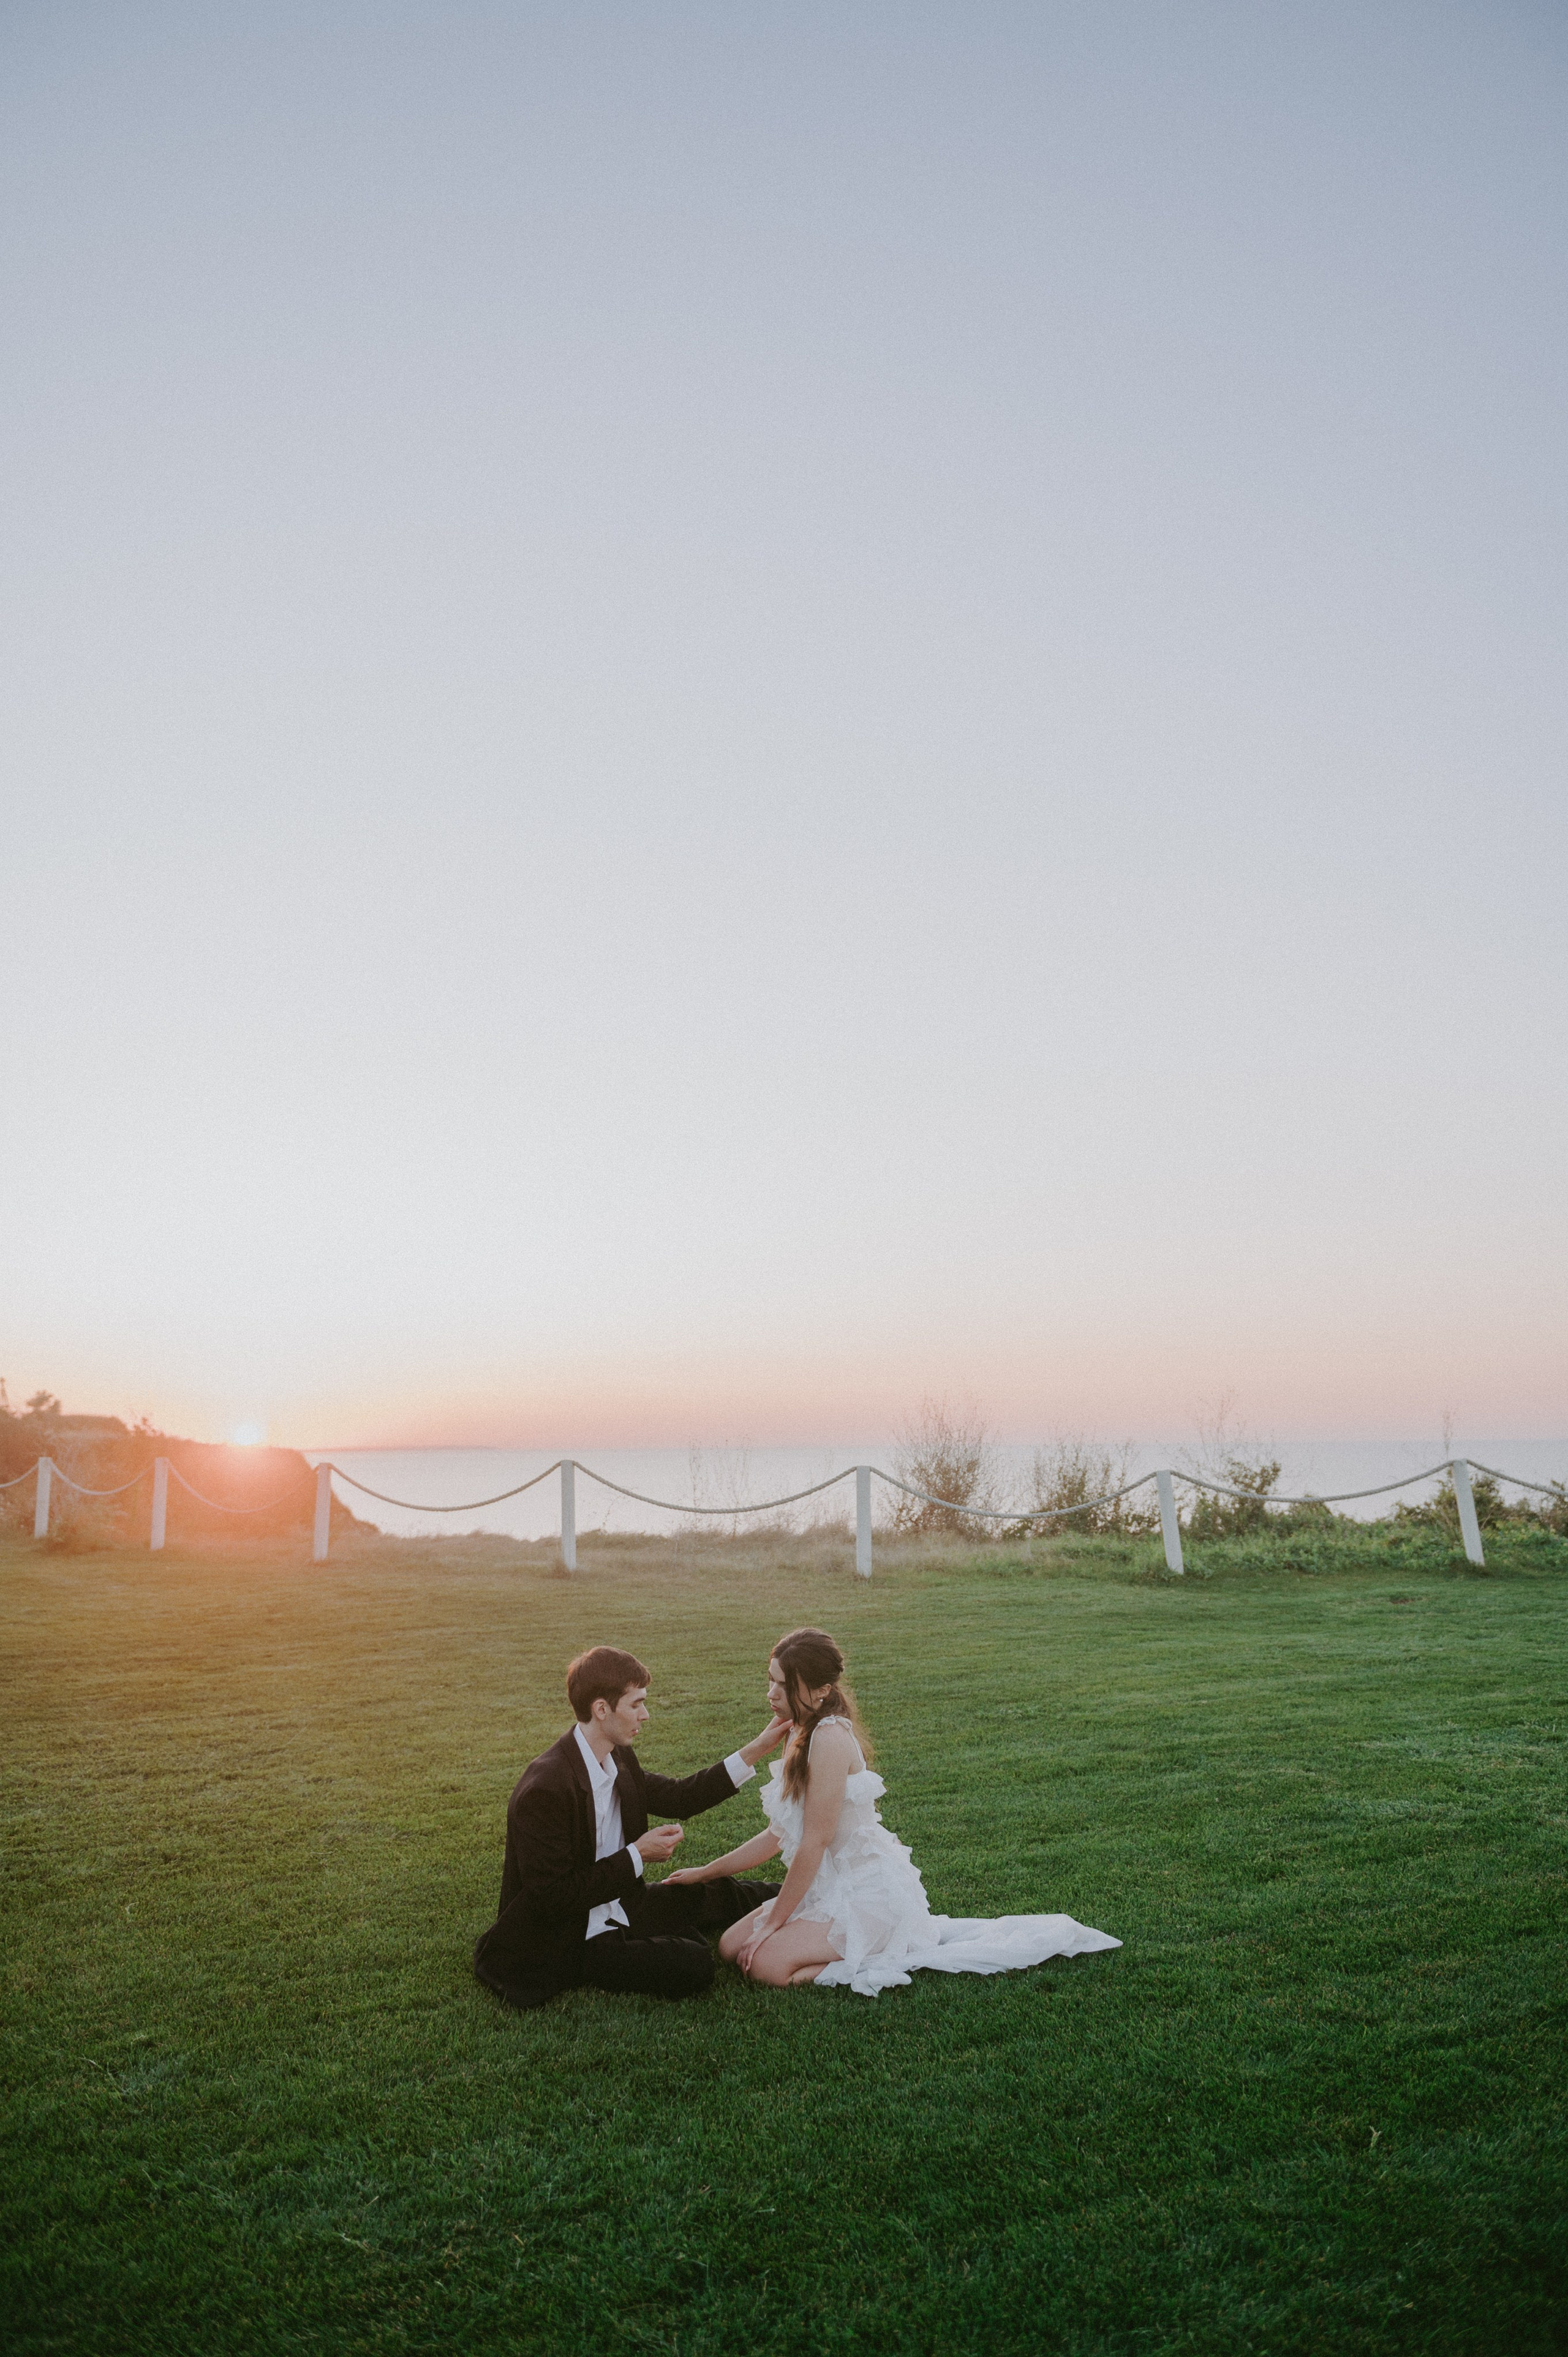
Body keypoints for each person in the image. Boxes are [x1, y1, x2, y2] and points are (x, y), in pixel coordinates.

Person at [662, 1626, 1121, 1996]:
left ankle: (880, 1954)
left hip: (869, 1894)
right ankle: (817, 1937)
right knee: (729, 1946)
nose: (771, 1693)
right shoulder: (796, 1733)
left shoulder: (829, 1738)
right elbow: (780, 1835)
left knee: (764, 1965)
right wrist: (705, 1871)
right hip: (830, 1886)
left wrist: (774, 1925)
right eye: (771, 1680)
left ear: (821, 1691)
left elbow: (816, 1842)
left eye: (783, 1685)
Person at [473, 1643, 788, 2008]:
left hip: (619, 1902)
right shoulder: (546, 1789)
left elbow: (679, 1797)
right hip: (569, 1933)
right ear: (601, 1710)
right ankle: (611, 1957)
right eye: (636, 1704)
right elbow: (555, 1898)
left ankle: (803, 1897)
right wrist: (638, 1856)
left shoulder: (616, 1755)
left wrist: (758, 1748)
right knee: (694, 1964)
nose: (646, 1714)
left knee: (710, 1891)